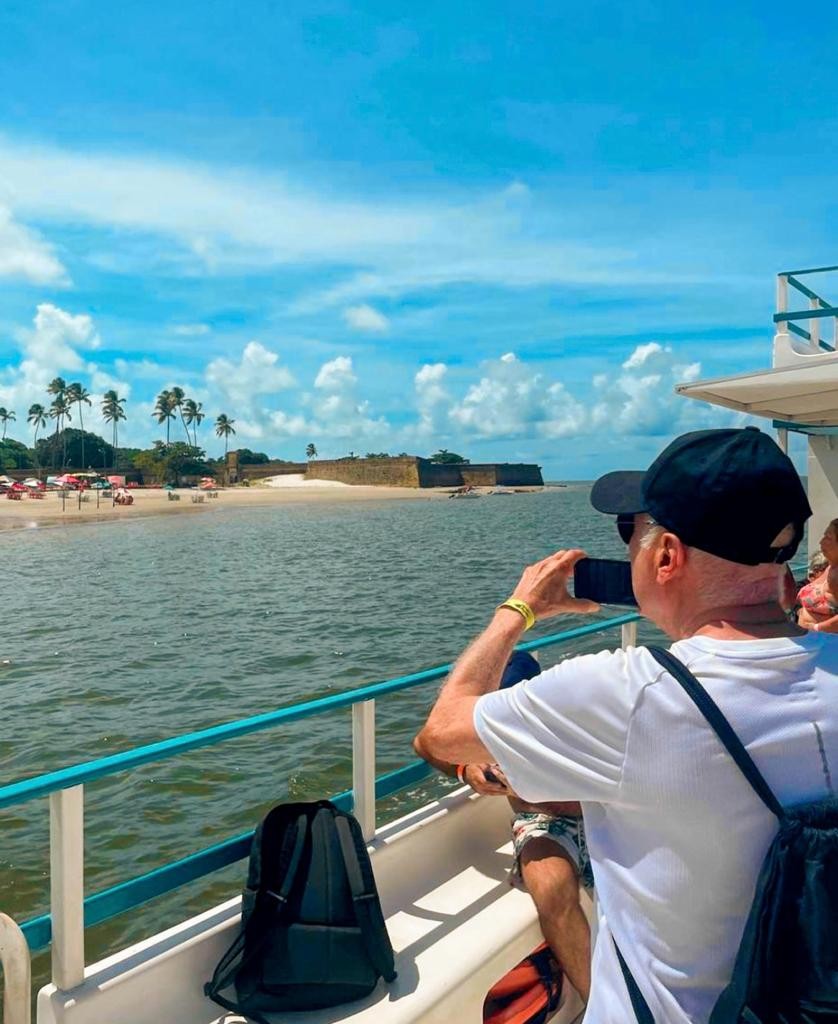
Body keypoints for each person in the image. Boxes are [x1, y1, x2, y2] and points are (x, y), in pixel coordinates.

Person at [415, 427, 837, 1022]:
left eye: (628, 532)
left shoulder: (629, 693)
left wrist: (517, 610)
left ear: (667, 556)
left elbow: (441, 732)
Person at [414, 650, 593, 1004]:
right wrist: (465, 770)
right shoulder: (482, 732)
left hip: (604, 812)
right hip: (544, 822)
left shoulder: (568, 715)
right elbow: (424, 742)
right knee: (550, 885)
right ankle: (600, 1003)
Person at [797, 518, 838, 632]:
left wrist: (816, 627)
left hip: (826, 640)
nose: (821, 542)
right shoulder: (830, 568)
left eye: (828, 538)